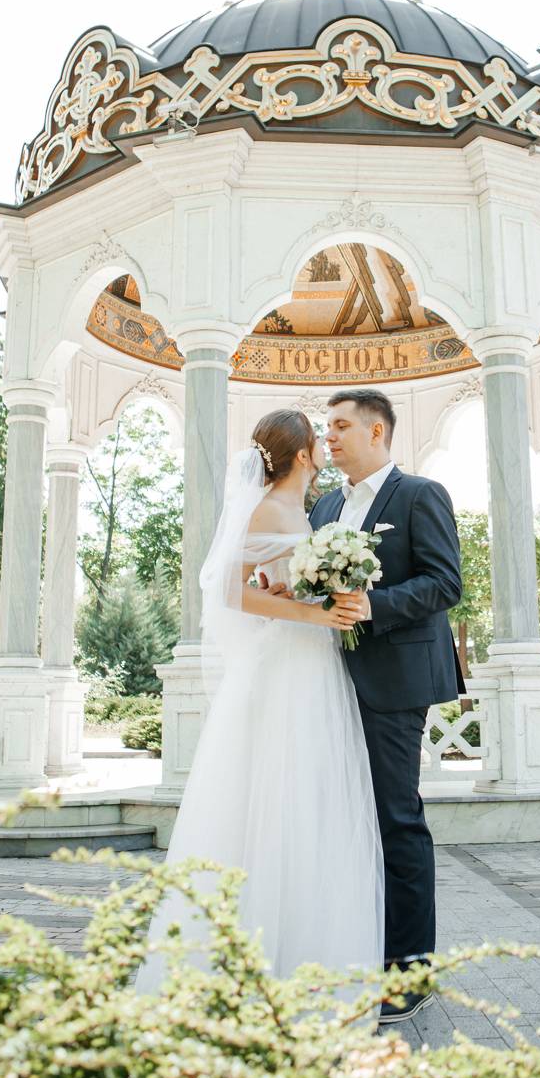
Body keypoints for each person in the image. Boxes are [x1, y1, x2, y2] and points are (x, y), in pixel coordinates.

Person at [134, 409, 384, 992]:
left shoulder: (304, 512)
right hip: (287, 665)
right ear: (301, 455)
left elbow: (273, 582)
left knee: (311, 798)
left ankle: (302, 948)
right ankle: (260, 955)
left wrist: (304, 594)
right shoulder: (268, 508)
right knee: (279, 793)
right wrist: (312, 613)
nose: (325, 445)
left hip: (317, 663)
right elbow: (228, 589)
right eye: (317, 439)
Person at [309, 390, 463, 1025]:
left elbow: (445, 582)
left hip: (396, 680)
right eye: (327, 427)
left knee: (397, 818)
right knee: (346, 818)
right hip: (327, 680)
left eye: (340, 426)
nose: (329, 436)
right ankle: (360, 948)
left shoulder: (420, 495)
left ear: (377, 431)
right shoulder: (324, 506)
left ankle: (410, 971)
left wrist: (375, 604)